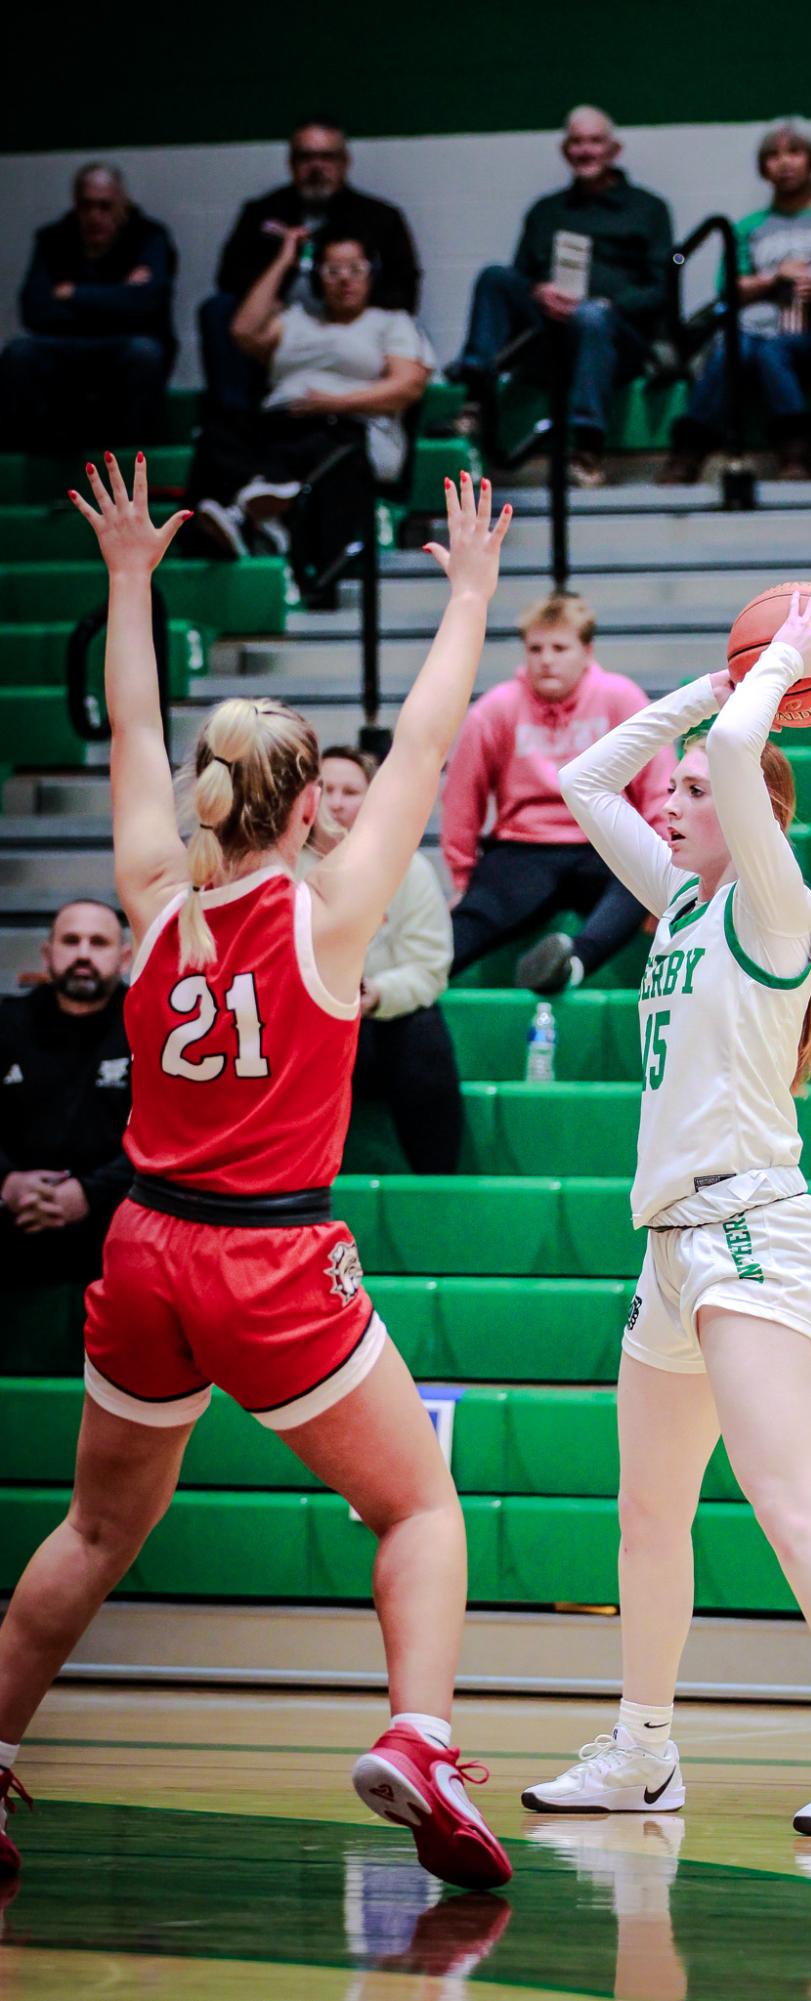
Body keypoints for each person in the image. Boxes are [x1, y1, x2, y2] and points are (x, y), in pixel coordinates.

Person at [0, 455, 512, 1893]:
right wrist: (468, 592)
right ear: (309, 813)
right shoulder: (334, 915)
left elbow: (136, 729)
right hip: (269, 1257)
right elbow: (421, 741)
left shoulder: (154, 894)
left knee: (97, 1526)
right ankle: (416, 1735)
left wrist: (125, 579)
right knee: (417, 1508)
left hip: (147, 1245)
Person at [520, 590, 811, 1838]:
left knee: (785, 1504)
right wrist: (704, 693)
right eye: (681, 788)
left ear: (749, 817)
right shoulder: (680, 904)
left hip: (751, 1224)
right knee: (645, 1512)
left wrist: (780, 671)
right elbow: (588, 781)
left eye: (691, 791)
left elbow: (749, 756)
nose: (672, 798)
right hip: (669, 1245)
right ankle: (644, 1750)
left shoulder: (773, 905)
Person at [441, 591, 673, 993]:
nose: (546, 659)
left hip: (605, 844)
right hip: (524, 850)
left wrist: (664, 877)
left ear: (587, 651)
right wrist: (462, 879)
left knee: (641, 879)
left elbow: (657, 788)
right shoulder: (496, 708)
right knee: (454, 943)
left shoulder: (620, 698)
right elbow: (463, 797)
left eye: (560, 648)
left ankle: (573, 963)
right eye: (535, 648)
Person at [186, 229, 431, 594]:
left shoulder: (391, 323)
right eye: (332, 270)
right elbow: (241, 330)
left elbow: (407, 385)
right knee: (215, 437)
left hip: (348, 429)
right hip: (281, 423)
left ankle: (252, 514)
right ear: (316, 277)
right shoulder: (296, 319)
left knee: (320, 439)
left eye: (354, 268)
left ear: (371, 274)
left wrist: (333, 403)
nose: (344, 278)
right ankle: (256, 514)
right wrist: (286, 259)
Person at [447, 106, 673, 488]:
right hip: (549, 337)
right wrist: (539, 293)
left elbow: (659, 290)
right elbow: (521, 278)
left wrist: (607, 305)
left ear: (614, 149)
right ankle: (476, 396)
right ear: (565, 150)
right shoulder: (546, 211)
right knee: (494, 277)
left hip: (617, 340)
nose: (586, 150)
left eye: (595, 141)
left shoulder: (648, 209)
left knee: (592, 317)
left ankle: (586, 446)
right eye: (577, 142)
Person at [658, 122, 811, 484]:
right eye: (773, 156)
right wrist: (774, 278)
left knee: (771, 351)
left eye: (794, 152)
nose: (784, 163)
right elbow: (728, 288)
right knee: (736, 346)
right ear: (763, 168)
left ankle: (795, 456)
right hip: (753, 330)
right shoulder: (749, 226)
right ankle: (687, 454)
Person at [200, 119, 422, 415]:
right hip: (281, 325)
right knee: (218, 308)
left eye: (326, 157)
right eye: (306, 157)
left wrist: (349, 305)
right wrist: (274, 289)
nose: (316, 166)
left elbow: (405, 288)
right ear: (291, 163)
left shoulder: (380, 217)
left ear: (345, 162)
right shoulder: (262, 213)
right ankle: (233, 417)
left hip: (352, 322)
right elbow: (229, 278)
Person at [316, 747, 462, 1173]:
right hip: (308, 1029)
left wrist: (377, 994)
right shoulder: (280, 868)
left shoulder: (407, 868)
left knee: (423, 1027)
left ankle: (436, 1184)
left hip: (377, 1026)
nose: (337, 802)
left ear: (371, 801)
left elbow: (429, 969)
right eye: (325, 789)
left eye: (350, 791)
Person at [1, 901, 133, 1311]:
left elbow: (172, 1135)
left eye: (98, 942)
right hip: (12, 1215)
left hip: (116, 1221)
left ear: (124, 958)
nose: (83, 954)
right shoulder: (6, 1023)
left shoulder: (150, 1026)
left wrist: (89, 1193)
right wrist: (6, 1182)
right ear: (47, 953)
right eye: (71, 941)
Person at [0, 164, 176, 453]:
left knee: (144, 353)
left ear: (123, 205)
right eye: (87, 206)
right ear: (75, 204)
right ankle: (33, 461)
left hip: (122, 347)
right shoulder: (53, 239)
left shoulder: (149, 236)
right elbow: (34, 311)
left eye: (105, 207)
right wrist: (118, 295)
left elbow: (148, 304)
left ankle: (135, 462)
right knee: (18, 353)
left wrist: (72, 293)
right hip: (68, 348)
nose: (95, 217)